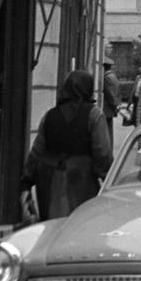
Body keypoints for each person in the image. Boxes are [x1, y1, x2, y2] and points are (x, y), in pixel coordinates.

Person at [21, 69, 113, 220]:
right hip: (82, 181)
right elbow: (103, 153)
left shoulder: (50, 115)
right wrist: (108, 179)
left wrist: (26, 183)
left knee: (53, 228)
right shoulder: (94, 115)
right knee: (80, 226)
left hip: (49, 183)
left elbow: (36, 152)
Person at [100, 61, 122, 138]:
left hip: (107, 108)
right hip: (111, 107)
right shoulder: (114, 77)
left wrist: (114, 105)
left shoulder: (106, 78)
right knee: (109, 129)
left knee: (107, 131)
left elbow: (109, 93)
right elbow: (118, 91)